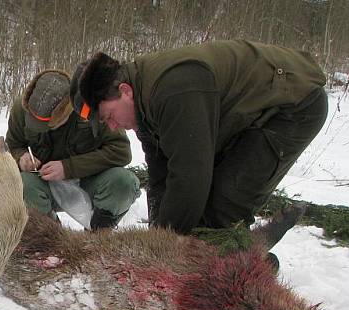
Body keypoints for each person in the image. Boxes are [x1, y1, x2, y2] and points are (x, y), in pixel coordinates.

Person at [70, 40, 328, 233]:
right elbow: (162, 175)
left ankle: (238, 269)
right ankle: (229, 257)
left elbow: (191, 176)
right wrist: (158, 234)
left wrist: (166, 245)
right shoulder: (143, 109)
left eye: (109, 116)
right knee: (196, 209)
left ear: (124, 91)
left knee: (224, 201)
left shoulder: (173, 91)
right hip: (243, 116)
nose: (114, 127)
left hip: (292, 106)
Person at [5, 69, 140, 230]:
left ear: (68, 110)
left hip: (90, 181)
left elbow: (121, 151)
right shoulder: (22, 109)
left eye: (50, 124)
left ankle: (98, 235)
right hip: (44, 184)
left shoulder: (95, 106)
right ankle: (49, 234)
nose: (44, 128)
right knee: (21, 184)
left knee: (123, 182)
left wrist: (68, 167)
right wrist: (21, 157)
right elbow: (12, 146)